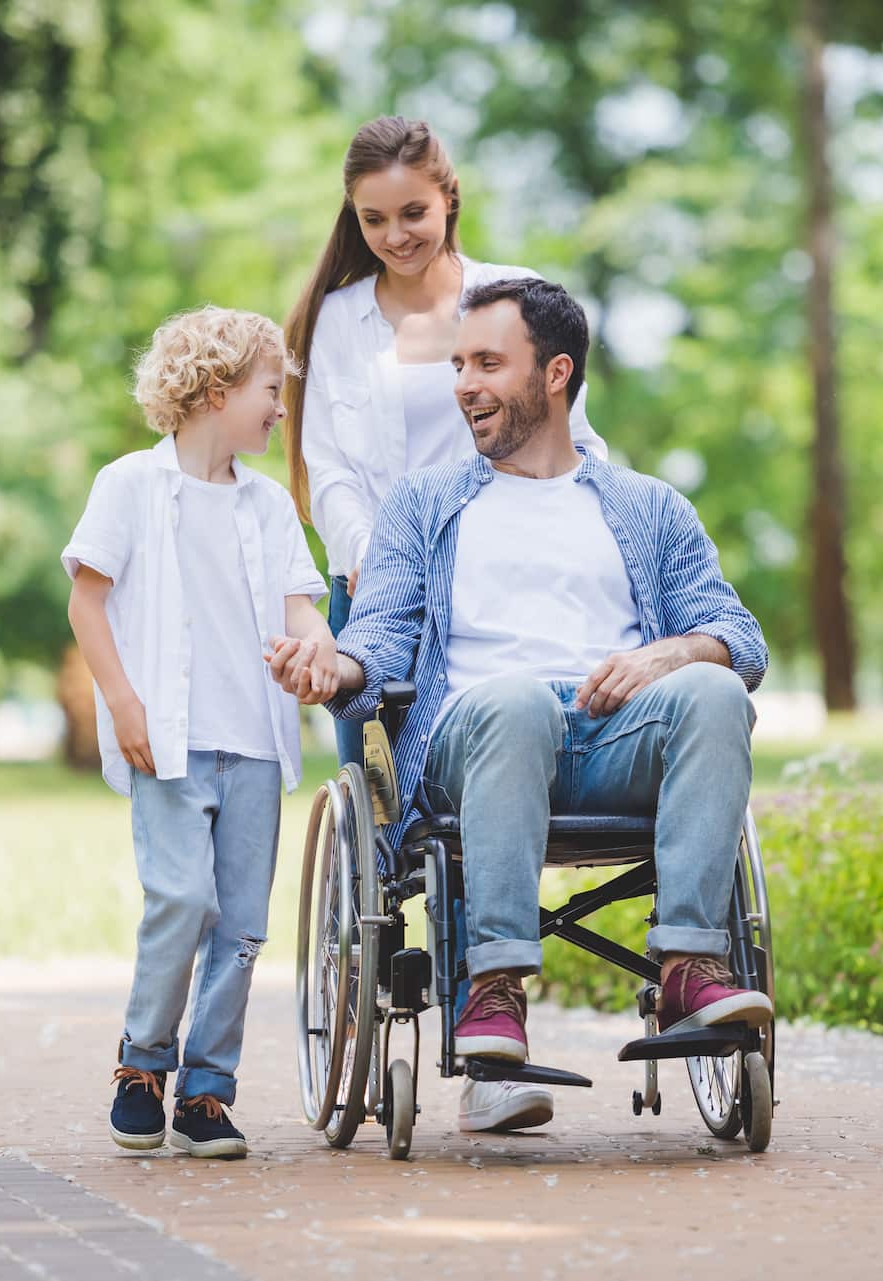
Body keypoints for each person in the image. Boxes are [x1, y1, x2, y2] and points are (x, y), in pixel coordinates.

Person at [270, 278, 773, 1093]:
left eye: (487, 363)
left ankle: (690, 964)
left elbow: (739, 636)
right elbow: (381, 637)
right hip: (479, 740)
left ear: (556, 373)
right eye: (458, 363)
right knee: (515, 699)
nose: (463, 383)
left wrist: (668, 657)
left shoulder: (650, 508)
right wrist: (336, 666)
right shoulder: (424, 504)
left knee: (717, 691)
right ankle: (492, 985)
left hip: (617, 735)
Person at [282, 114, 607, 1133]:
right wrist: (378, 555)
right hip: (381, 585)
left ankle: (492, 1060)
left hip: (501, 583)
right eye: (373, 219)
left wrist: (619, 520)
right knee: (399, 830)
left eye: (412, 213)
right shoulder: (340, 320)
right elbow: (325, 466)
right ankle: (400, 992)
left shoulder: (509, 294)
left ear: (449, 195)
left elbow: (569, 428)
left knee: (483, 794)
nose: (396, 235)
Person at [64, 306, 332, 1160]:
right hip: (168, 741)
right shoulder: (129, 487)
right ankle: (143, 1063)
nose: (279, 409)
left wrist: (316, 647)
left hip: (254, 740)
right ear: (217, 391)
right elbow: (87, 600)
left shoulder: (269, 506)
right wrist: (123, 702)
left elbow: (301, 608)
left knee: (242, 926)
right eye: (269, 390)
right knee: (183, 899)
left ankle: (207, 1091)